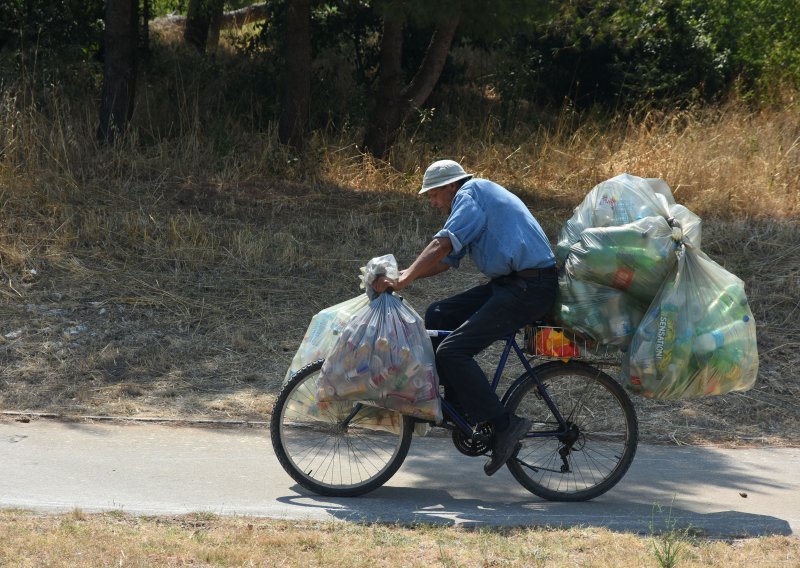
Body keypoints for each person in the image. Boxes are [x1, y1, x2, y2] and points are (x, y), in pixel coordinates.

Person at [372, 159, 558, 476]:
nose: (432, 202)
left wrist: (404, 281)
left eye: (433, 194)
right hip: (512, 284)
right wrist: (405, 275)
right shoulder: (470, 203)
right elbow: (446, 260)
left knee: (452, 351)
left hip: (531, 286)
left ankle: (505, 425)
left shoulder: (470, 195)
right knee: (439, 314)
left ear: (449, 186)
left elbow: (441, 243)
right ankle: (461, 411)